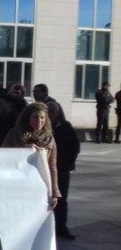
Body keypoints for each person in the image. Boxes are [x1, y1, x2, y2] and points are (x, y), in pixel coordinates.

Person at [2, 102, 61, 250]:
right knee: (8, 230)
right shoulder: (16, 135)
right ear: (28, 118)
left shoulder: (49, 139)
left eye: (43, 118)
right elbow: (1, 157)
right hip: (16, 189)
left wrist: (55, 192)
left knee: (29, 232)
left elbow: (52, 166)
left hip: (37, 192)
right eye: (36, 117)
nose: (39, 121)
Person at [47, 102, 80, 240]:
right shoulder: (42, 127)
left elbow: (75, 145)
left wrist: (70, 161)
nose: (50, 115)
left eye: (52, 112)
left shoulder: (65, 127)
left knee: (62, 198)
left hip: (62, 168)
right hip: (46, 168)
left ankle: (61, 226)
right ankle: (47, 227)